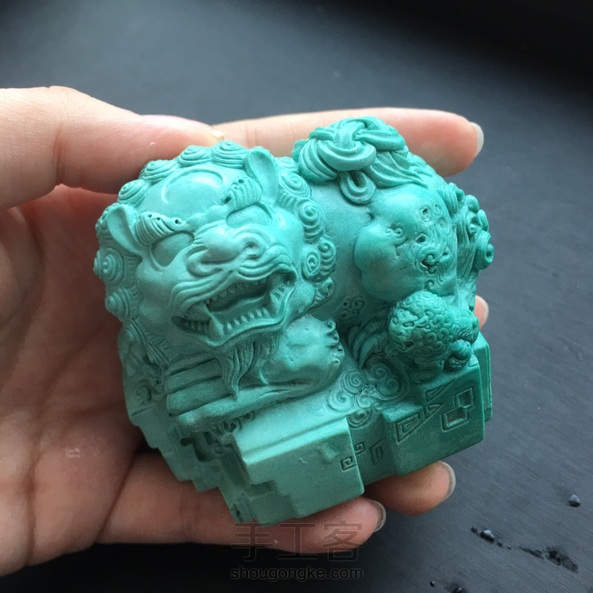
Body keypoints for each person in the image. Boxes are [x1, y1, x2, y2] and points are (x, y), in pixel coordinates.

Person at [0, 86, 489, 575]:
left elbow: (433, 285)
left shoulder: (369, 232)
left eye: (243, 215)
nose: (219, 246)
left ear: (279, 203)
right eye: (169, 244)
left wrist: (427, 325)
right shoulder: (164, 338)